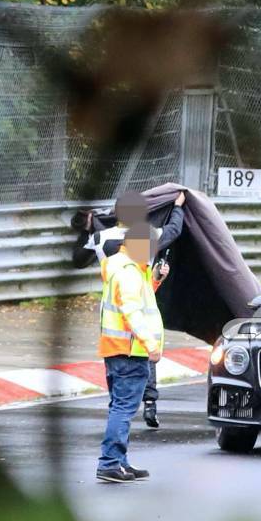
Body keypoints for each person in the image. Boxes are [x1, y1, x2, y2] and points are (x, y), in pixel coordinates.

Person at [97, 193, 165, 483]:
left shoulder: (126, 269)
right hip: (129, 350)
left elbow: (138, 298)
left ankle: (119, 462)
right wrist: (150, 343)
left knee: (119, 407)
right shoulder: (128, 272)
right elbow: (132, 309)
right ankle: (110, 463)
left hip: (117, 350)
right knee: (123, 409)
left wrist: (157, 279)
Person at [141, 189, 187, 428]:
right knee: (137, 369)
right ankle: (144, 404)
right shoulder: (143, 241)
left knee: (142, 367)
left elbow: (146, 288)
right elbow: (173, 230)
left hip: (125, 330)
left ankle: (149, 404)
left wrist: (157, 277)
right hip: (131, 328)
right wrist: (178, 207)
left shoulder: (113, 248)